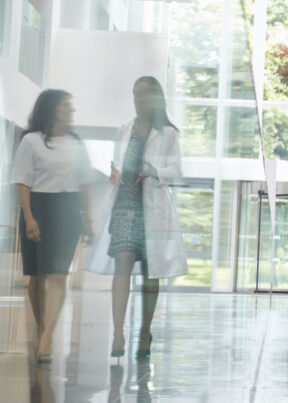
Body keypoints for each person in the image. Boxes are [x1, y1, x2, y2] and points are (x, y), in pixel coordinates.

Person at [86, 76, 187, 359]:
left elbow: (176, 171)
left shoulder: (168, 133)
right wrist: (114, 170)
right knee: (123, 265)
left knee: (150, 274)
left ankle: (145, 330)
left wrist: (154, 170)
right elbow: (117, 161)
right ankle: (118, 332)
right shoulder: (124, 129)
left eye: (144, 95)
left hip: (153, 208)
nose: (138, 100)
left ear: (156, 98)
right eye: (135, 94)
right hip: (125, 204)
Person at [10, 89, 93, 363]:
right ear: (53, 109)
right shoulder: (31, 141)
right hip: (38, 207)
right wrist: (29, 217)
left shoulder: (77, 144)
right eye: (66, 106)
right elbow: (23, 182)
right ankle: (43, 328)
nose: (71, 111)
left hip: (68, 210)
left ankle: (45, 340)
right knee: (36, 279)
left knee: (58, 275)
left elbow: (84, 184)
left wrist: (88, 220)